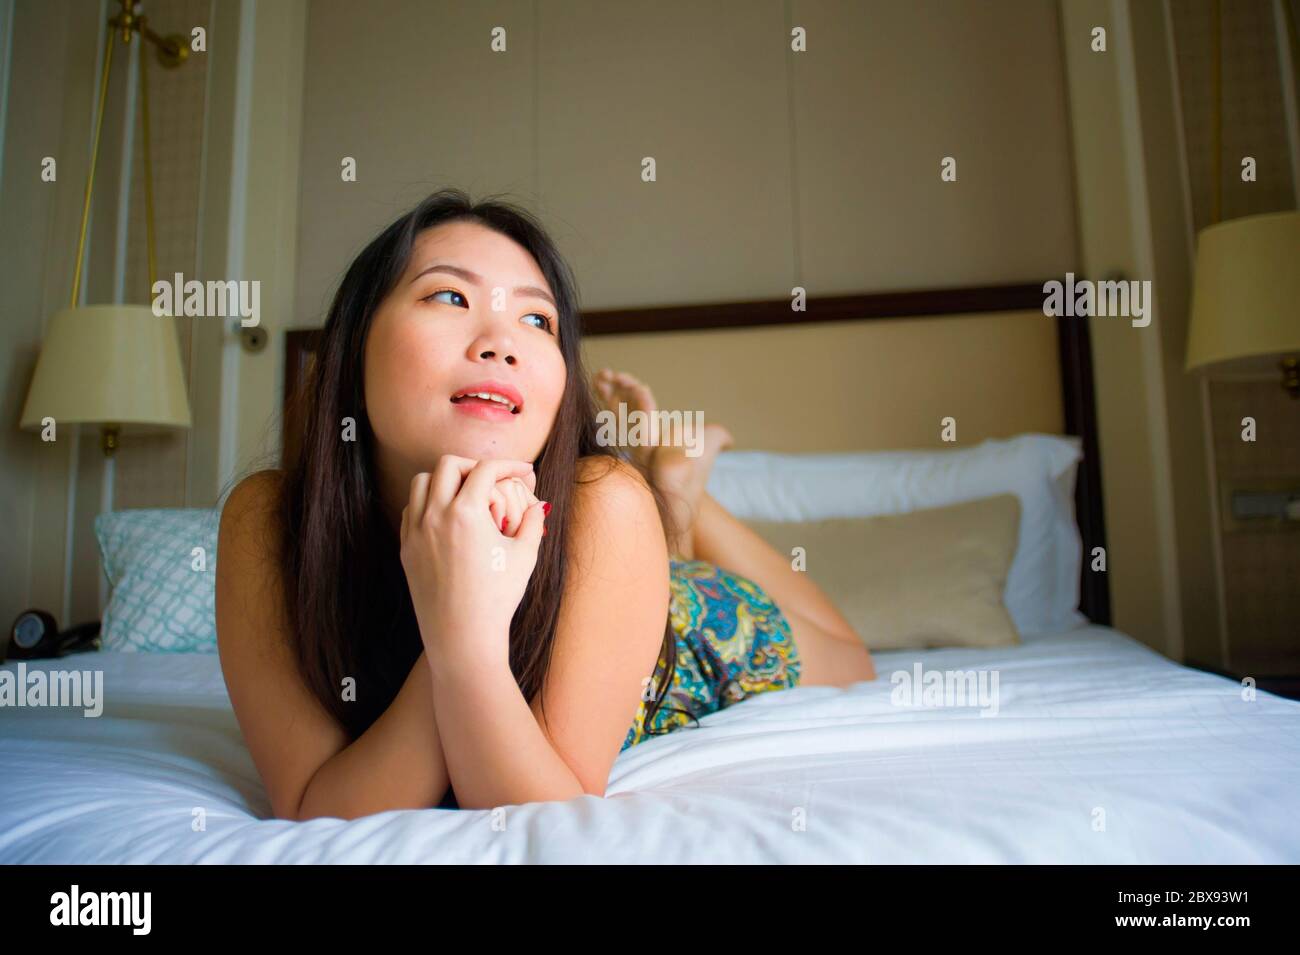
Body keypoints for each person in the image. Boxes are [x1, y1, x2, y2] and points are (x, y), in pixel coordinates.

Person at [215, 188, 876, 821]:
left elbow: (540, 812)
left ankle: (677, 501)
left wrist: (467, 640)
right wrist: (460, 623)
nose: (502, 342)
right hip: (606, 570)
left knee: (854, 661)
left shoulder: (606, 505)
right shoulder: (266, 521)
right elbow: (313, 807)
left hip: (680, 619)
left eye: (537, 319)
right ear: (354, 346)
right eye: (450, 295)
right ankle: (672, 512)